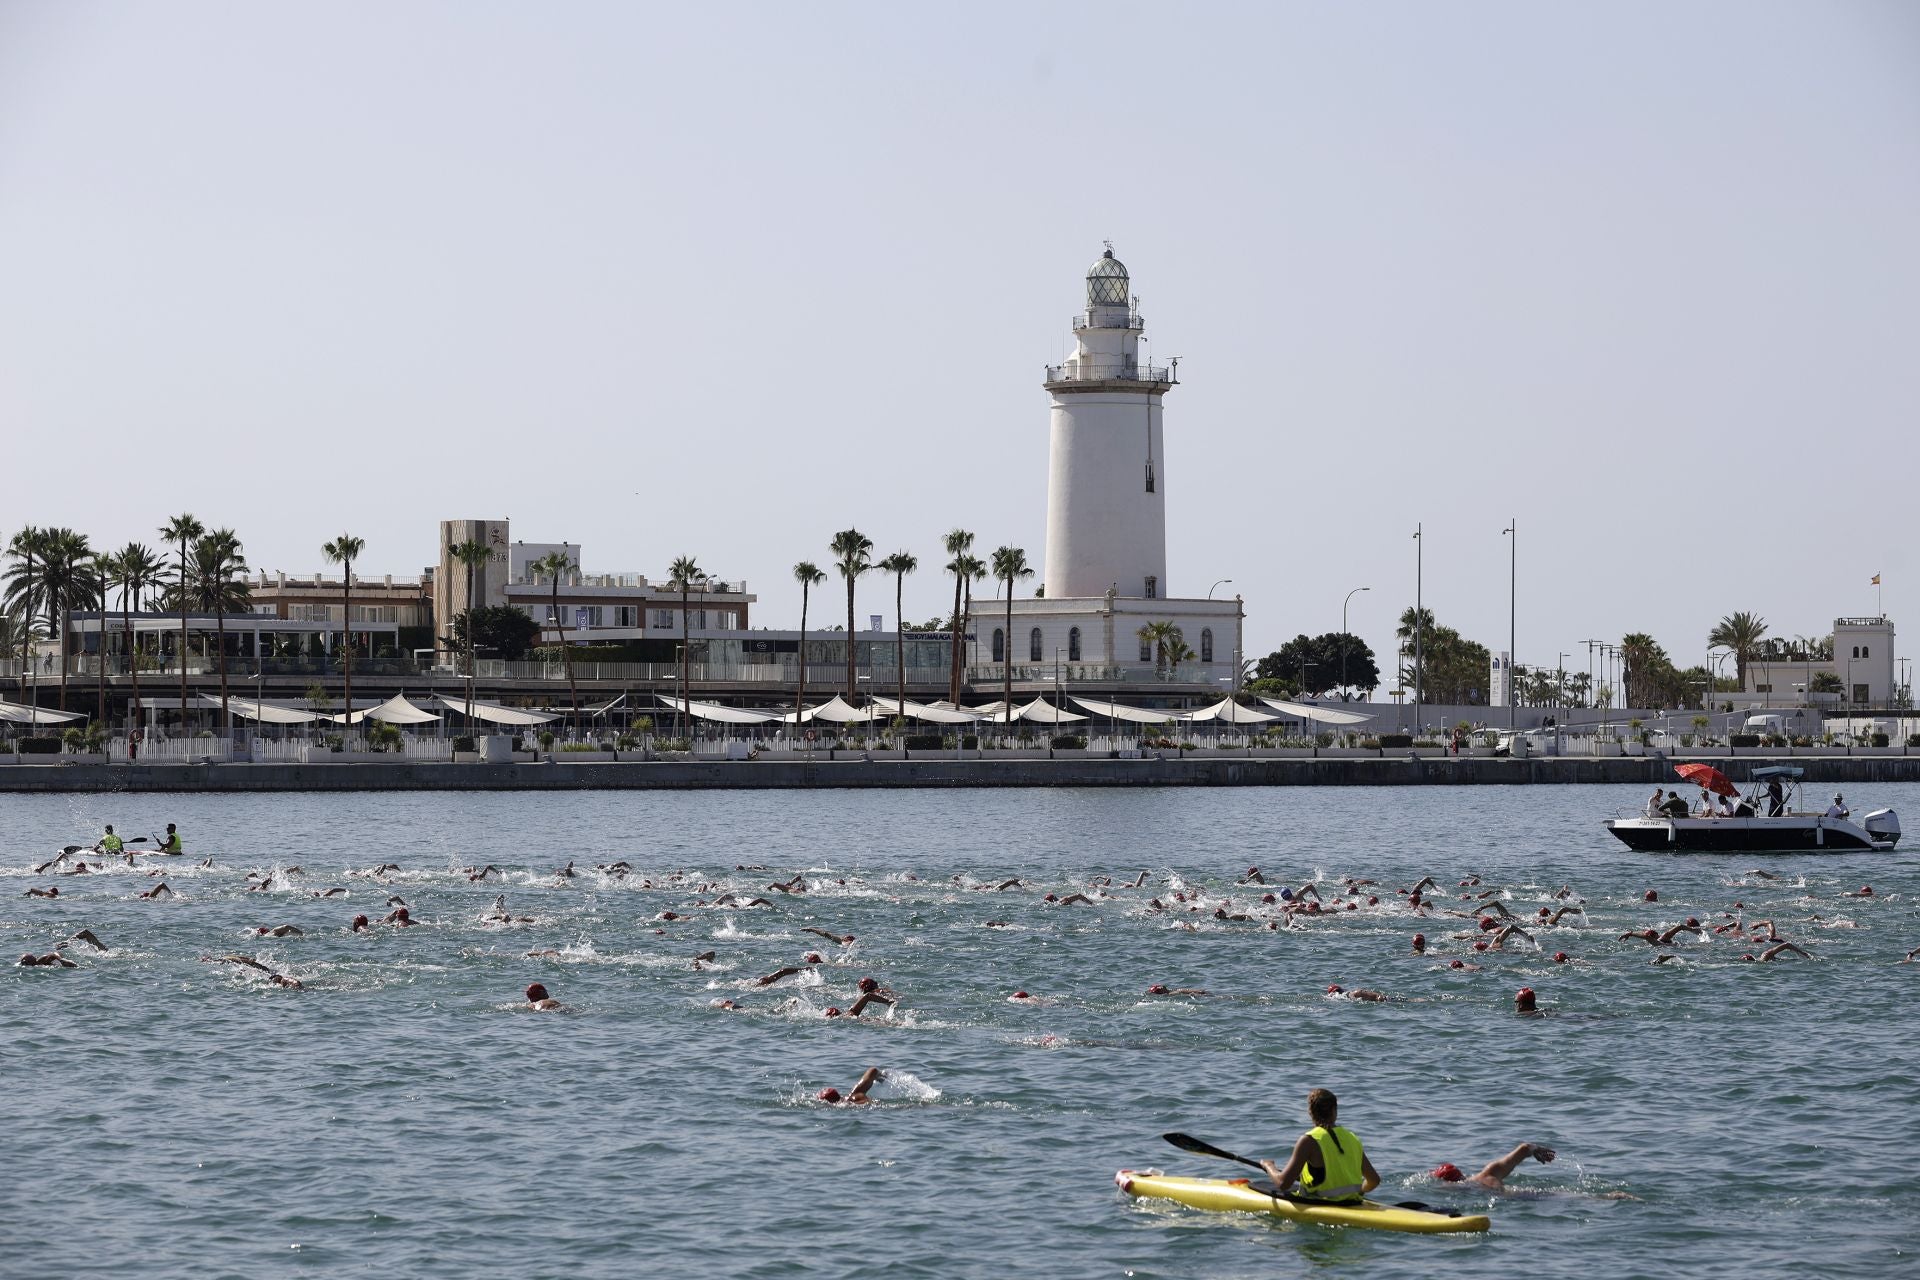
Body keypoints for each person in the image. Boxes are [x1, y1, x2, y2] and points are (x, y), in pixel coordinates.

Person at [1258, 1088, 1381, 1204]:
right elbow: (1374, 1181)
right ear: (1335, 1111)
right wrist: (1360, 1190)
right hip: (1352, 1202)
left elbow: (1283, 1184)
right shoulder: (1352, 1138)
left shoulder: (1308, 1141)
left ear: (1310, 1112)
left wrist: (1269, 1166)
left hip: (1321, 1203)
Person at [1432, 1142, 1556, 1191]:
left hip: (1517, 1200)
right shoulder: (1490, 1171)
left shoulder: (1464, 1188)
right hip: (1536, 1194)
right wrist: (1537, 1150)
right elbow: (1525, 1148)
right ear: (1461, 1174)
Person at [817, 1066, 884, 1105]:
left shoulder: (850, 1102)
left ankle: (881, 1076)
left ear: (830, 1101)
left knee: (873, 1071)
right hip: (854, 1096)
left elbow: (872, 1103)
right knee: (872, 1071)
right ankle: (882, 1076)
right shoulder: (853, 1095)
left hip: (859, 1101)